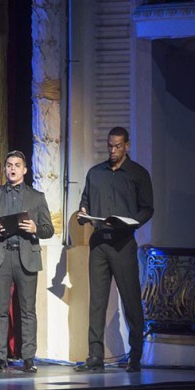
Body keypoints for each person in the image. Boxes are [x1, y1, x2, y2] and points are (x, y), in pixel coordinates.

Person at [74, 127, 153, 373]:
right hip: (99, 243)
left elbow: (147, 208)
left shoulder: (138, 173)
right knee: (97, 302)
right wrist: (83, 213)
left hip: (123, 243)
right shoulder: (95, 173)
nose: (113, 150)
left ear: (127, 145)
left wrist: (132, 223)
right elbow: (84, 201)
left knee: (130, 300)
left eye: (117, 146)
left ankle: (136, 356)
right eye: (110, 146)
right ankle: (95, 356)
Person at [0, 150, 54, 373]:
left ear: (25, 169)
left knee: (28, 310)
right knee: (0, 310)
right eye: (9, 165)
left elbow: (49, 229)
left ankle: (29, 358)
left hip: (26, 256)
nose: (12, 169)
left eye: (17, 165)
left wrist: (35, 228)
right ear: (5, 168)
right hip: (1, 256)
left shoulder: (37, 197)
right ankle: (0, 358)